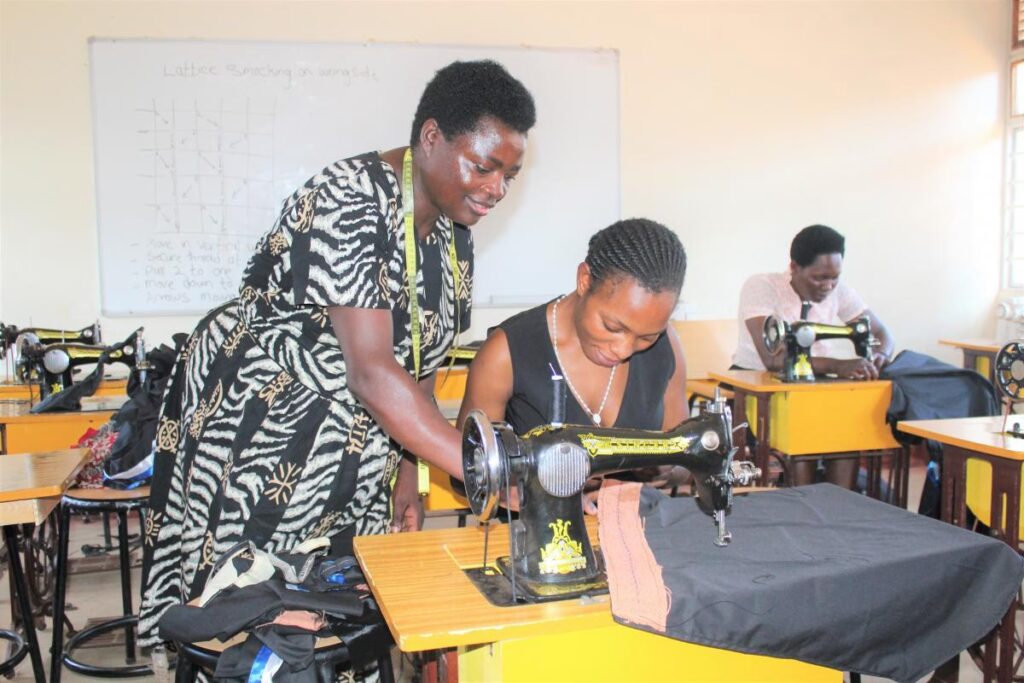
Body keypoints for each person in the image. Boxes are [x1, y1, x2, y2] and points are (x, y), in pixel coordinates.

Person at [138, 60, 536, 647]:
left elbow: (419, 363)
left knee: (342, 613)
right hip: (266, 433)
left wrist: (410, 473)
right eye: (483, 167)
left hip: (361, 441)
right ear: (431, 137)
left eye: (510, 175)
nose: (496, 189)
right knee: (257, 616)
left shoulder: (455, 235)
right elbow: (372, 371)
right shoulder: (350, 197)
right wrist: (485, 469)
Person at [457, 218, 689, 499]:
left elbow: (686, 459)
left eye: (647, 337)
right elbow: (470, 474)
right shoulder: (506, 352)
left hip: (634, 519)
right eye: (612, 327)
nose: (624, 349)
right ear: (584, 280)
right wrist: (544, 496)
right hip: (538, 524)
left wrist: (666, 470)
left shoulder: (666, 347)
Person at [731, 224, 894, 488]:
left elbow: (882, 333)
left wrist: (879, 355)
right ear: (794, 267)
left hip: (813, 385)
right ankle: (803, 500)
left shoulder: (839, 291)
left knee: (847, 431)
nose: (828, 286)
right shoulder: (762, 287)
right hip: (758, 384)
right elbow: (773, 359)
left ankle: (837, 503)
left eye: (834, 278)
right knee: (801, 432)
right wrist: (838, 366)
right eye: (819, 278)